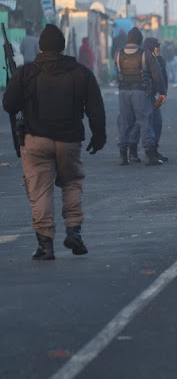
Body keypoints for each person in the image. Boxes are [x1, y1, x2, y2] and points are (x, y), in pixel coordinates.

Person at [2, 24, 106, 260]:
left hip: (36, 140)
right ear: (63, 46)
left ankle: (45, 245)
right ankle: (73, 231)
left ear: (40, 47)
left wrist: (15, 84)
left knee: (40, 190)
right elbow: (95, 108)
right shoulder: (80, 72)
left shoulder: (26, 73)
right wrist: (99, 136)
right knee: (71, 183)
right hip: (69, 140)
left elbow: (9, 105)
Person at [116, 27, 166, 166]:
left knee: (125, 122)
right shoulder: (146, 54)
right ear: (140, 40)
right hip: (140, 93)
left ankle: (123, 155)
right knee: (145, 121)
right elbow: (157, 75)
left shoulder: (118, 54)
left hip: (123, 92)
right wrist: (162, 92)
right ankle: (150, 155)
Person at [143, 37, 169, 162]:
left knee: (157, 122)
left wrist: (163, 94)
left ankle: (153, 149)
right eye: (155, 47)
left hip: (153, 96)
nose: (158, 50)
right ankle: (132, 151)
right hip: (143, 95)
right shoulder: (142, 59)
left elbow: (163, 78)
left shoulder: (160, 60)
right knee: (141, 124)